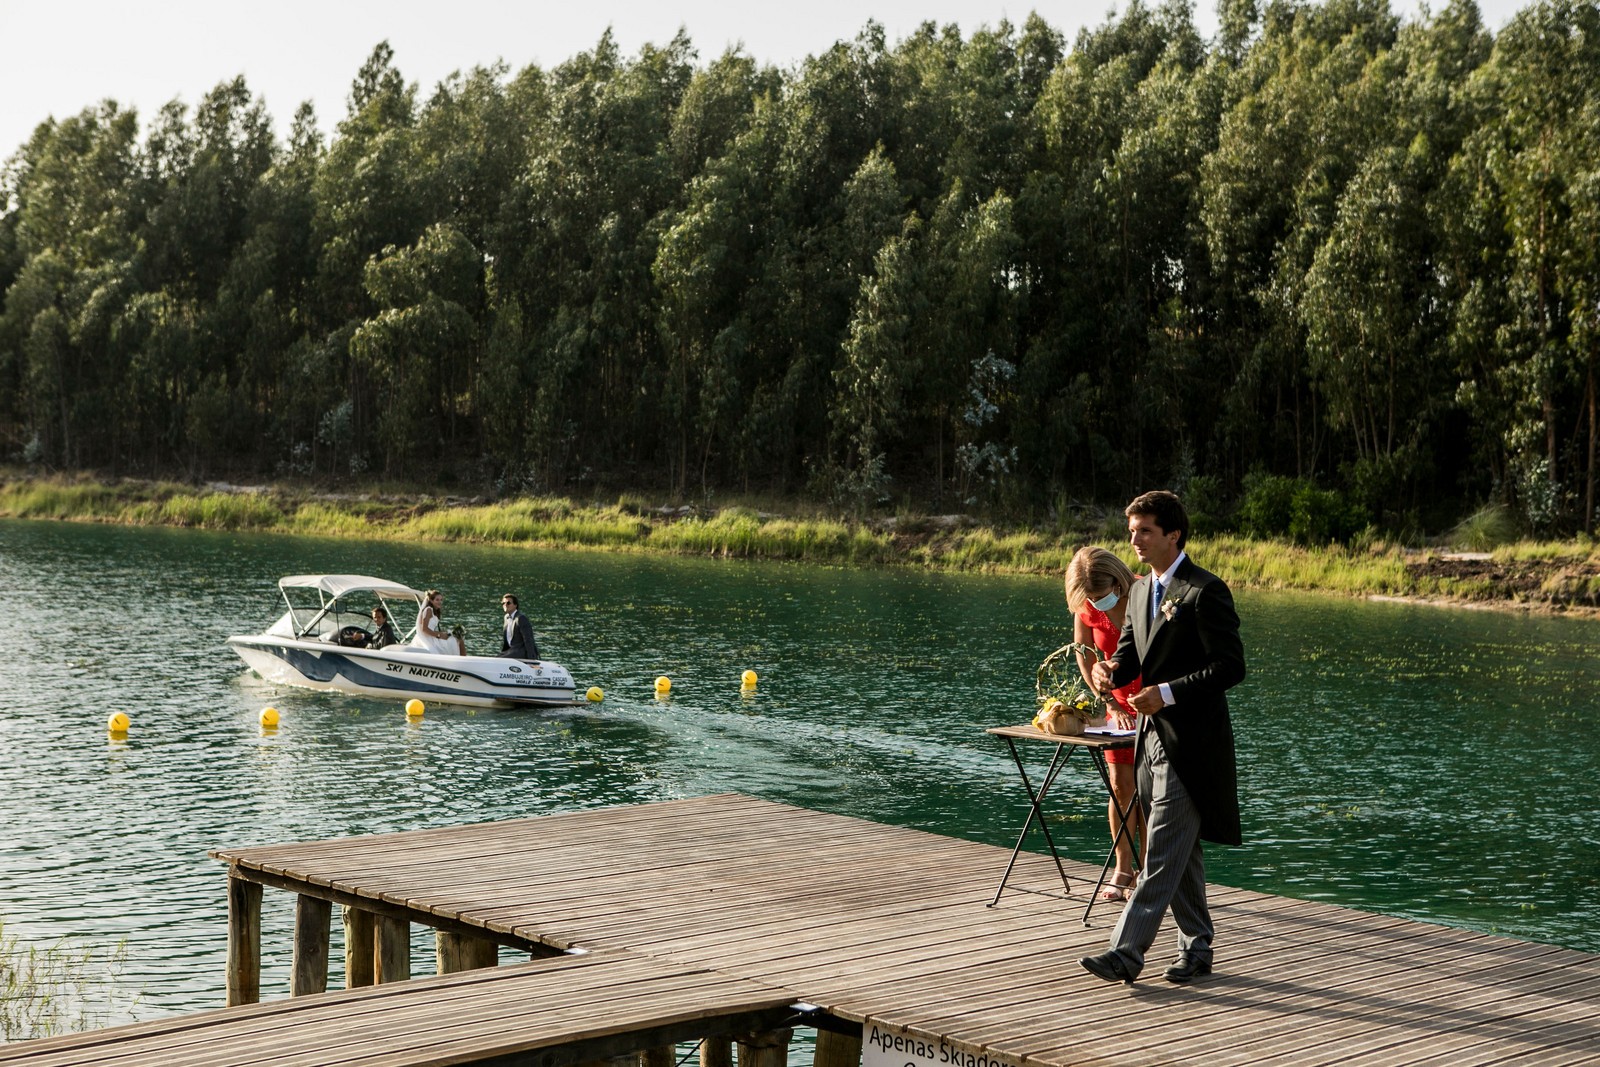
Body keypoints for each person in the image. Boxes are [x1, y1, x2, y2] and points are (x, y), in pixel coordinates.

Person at [1082, 490, 1246, 985]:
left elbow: (1231, 668)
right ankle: (1197, 946)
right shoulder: (1138, 591)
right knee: (1181, 850)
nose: (1134, 539)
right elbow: (1131, 655)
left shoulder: (1205, 590)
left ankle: (1126, 952)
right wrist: (1111, 670)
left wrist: (1168, 693)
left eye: (1145, 530)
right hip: (1148, 736)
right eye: (1132, 530)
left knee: (1162, 847)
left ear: (1173, 534)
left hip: (1192, 743)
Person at [1063, 546, 1145, 902]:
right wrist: (1109, 701)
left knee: (1151, 789)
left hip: (1154, 700)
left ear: (1118, 579)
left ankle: (1149, 872)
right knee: (1120, 786)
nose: (1096, 603)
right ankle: (1123, 868)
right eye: (1090, 598)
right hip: (1117, 706)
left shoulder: (1145, 592)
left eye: (1101, 595)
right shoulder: (1086, 604)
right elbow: (1085, 654)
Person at [411, 589, 462, 655]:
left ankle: (461, 660)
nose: (440, 602)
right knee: (453, 641)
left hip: (432, 636)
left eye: (441, 600)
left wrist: (442, 633)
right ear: (431, 601)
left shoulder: (434, 611)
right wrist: (439, 635)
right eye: (437, 600)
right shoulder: (428, 610)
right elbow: (424, 629)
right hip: (427, 638)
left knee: (456, 638)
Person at [500, 593, 540, 661]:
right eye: (503, 603)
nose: (505, 605)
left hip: (522, 652)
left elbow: (528, 639)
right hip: (511, 650)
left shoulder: (521, 618)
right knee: (496, 658)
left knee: (499, 659)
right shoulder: (506, 617)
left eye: (508, 603)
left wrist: (532, 659)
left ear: (515, 605)